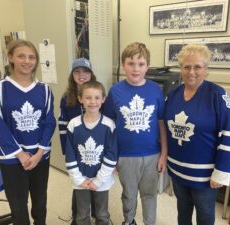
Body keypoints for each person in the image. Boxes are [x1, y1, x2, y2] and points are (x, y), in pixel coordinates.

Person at [164, 44, 230, 225]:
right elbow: (165, 128)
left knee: (204, 214)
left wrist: (221, 172)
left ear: (206, 69)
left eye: (197, 67)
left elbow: (228, 135)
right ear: (181, 69)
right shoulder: (172, 95)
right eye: (186, 67)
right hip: (177, 171)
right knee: (182, 211)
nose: (191, 72)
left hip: (205, 175)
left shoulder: (217, 95)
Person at [0, 39, 56, 225]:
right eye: (21, 56)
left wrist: (39, 153)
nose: (27, 61)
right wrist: (19, 154)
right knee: (18, 204)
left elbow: (49, 122)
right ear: (10, 58)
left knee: (40, 200)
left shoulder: (45, 89)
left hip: (39, 155)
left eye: (32, 57)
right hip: (12, 157)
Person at [103, 42, 167, 225]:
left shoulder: (155, 90)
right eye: (131, 63)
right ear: (123, 65)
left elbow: (161, 124)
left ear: (147, 66)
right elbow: (109, 126)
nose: (136, 69)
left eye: (141, 64)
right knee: (129, 195)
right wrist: (111, 156)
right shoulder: (115, 91)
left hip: (152, 155)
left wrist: (164, 154)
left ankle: (149, 222)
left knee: (149, 195)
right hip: (126, 155)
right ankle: (129, 220)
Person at [65, 80, 117, 225]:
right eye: (88, 97)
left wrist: (99, 180)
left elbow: (111, 155)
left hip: (102, 180)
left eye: (96, 97)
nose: (92, 101)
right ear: (80, 99)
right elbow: (70, 155)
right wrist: (79, 179)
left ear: (103, 99)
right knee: (81, 215)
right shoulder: (73, 124)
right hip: (80, 180)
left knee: (102, 214)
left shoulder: (109, 125)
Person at [58, 57, 96, 225]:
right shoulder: (66, 98)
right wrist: (67, 151)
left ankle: (98, 215)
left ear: (91, 74)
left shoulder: (98, 95)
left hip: (96, 149)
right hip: (76, 151)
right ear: (72, 75)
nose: (81, 75)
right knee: (79, 185)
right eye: (77, 72)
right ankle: (77, 217)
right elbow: (62, 126)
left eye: (85, 71)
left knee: (96, 183)